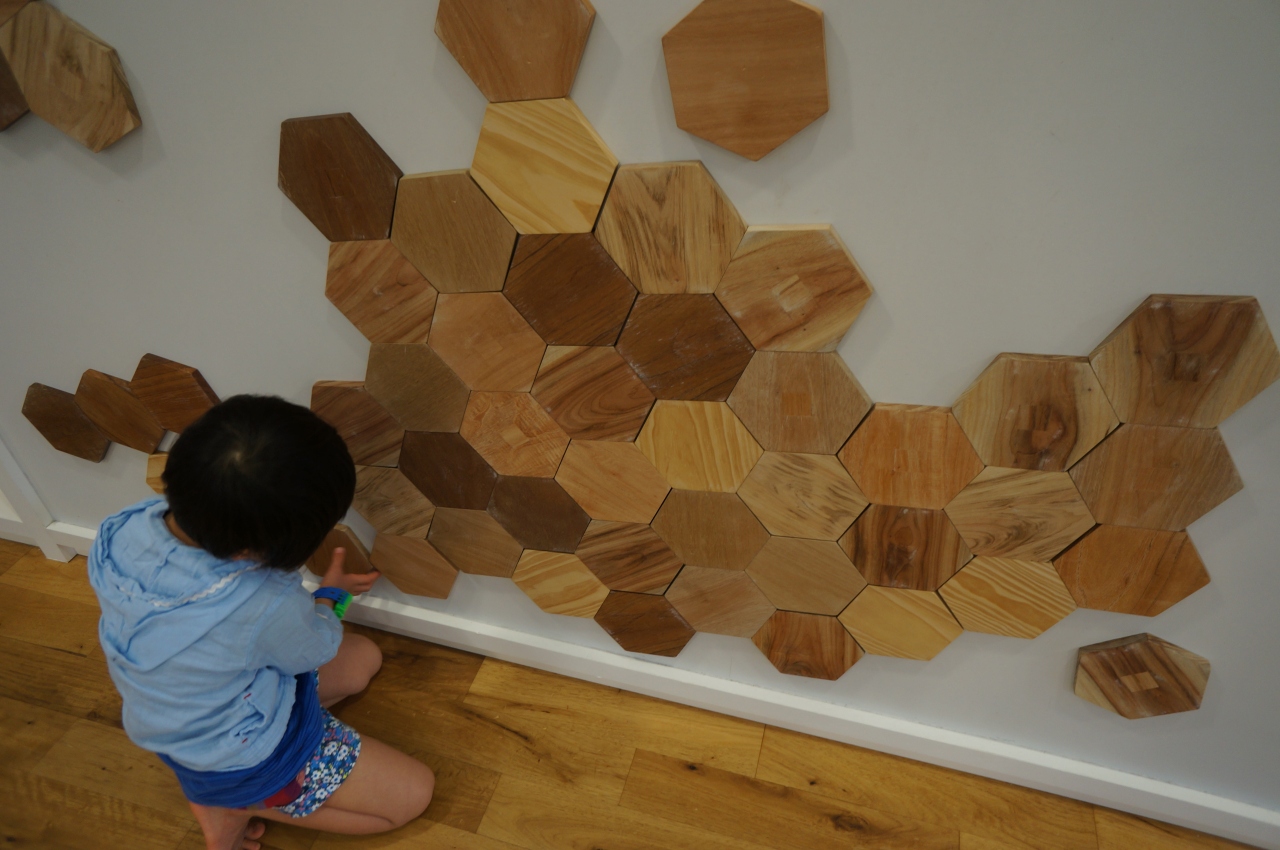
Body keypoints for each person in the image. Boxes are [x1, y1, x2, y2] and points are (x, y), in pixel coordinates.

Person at [87, 394, 434, 850]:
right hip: (242, 759)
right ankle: (238, 804)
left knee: (362, 660)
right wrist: (331, 596)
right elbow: (316, 647)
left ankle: (218, 791)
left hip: (180, 719)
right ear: (252, 551)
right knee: (413, 795)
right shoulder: (261, 602)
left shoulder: (122, 528)